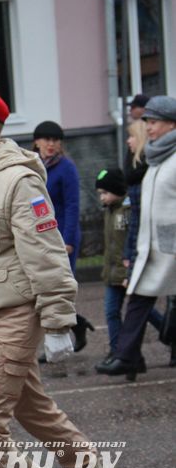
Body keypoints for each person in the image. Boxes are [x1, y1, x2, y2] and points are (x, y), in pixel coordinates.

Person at [0, 90, 132, 468]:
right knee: (36, 413)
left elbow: (45, 254)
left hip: (20, 312)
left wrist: (57, 319)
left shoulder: (19, 180)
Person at [97, 95, 176, 377]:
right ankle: (127, 356)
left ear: (171, 124)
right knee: (139, 297)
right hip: (154, 247)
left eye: (154, 121)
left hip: (172, 247)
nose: (149, 127)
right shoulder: (157, 159)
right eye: (148, 121)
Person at [32, 120, 93, 352]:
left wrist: (67, 241)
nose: (51, 144)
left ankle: (55, 344)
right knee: (39, 292)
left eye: (56, 140)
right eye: (47, 139)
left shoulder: (65, 167)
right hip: (38, 237)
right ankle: (77, 326)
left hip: (61, 238)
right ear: (36, 141)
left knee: (56, 291)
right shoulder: (31, 165)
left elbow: (72, 206)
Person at [121, 115, 165, 334]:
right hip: (142, 242)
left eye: (131, 135)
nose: (128, 140)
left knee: (140, 298)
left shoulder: (151, 170)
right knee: (138, 298)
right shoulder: (136, 171)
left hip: (156, 243)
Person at [92, 168, 130, 365]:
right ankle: (116, 351)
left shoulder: (127, 212)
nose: (102, 198)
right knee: (111, 312)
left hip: (124, 273)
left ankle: (169, 334)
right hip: (112, 273)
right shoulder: (109, 211)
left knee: (144, 313)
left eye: (105, 193)